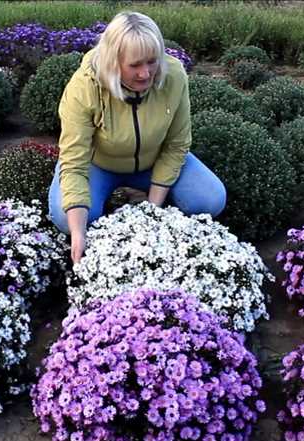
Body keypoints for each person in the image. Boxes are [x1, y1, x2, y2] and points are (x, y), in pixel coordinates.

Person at [49, 11, 226, 264]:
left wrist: (152, 211)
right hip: (98, 165)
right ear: (113, 61)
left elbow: (177, 144)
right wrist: (78, 234)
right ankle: (100, 202)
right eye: (134, 65)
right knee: (69, 219)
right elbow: (74, 161)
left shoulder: (174, 76)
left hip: (152, 162)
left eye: (152, 61)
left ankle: (141, 192)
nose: (146, 74)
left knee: (210, 198)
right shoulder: (84, 87)